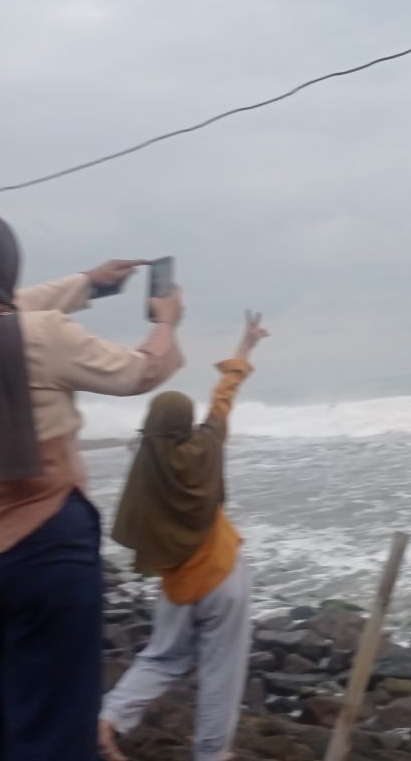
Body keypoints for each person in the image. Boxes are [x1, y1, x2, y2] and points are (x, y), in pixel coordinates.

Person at [0, 194, 185, 760]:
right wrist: (165, 323)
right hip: (42, 555)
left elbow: (1, 308)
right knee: (53, 734)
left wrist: (89, 283)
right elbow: (143, 371)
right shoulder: (38, 336)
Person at [100, 310, 270, 761]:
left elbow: (133, 526)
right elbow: (223, 398)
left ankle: (110, 717)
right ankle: (212, 754)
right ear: (184, 424)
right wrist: (245, 346)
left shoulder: (145, 466)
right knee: (222, 673)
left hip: (177, 587)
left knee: (162, 657)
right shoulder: (207, 446)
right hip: (223, 576)